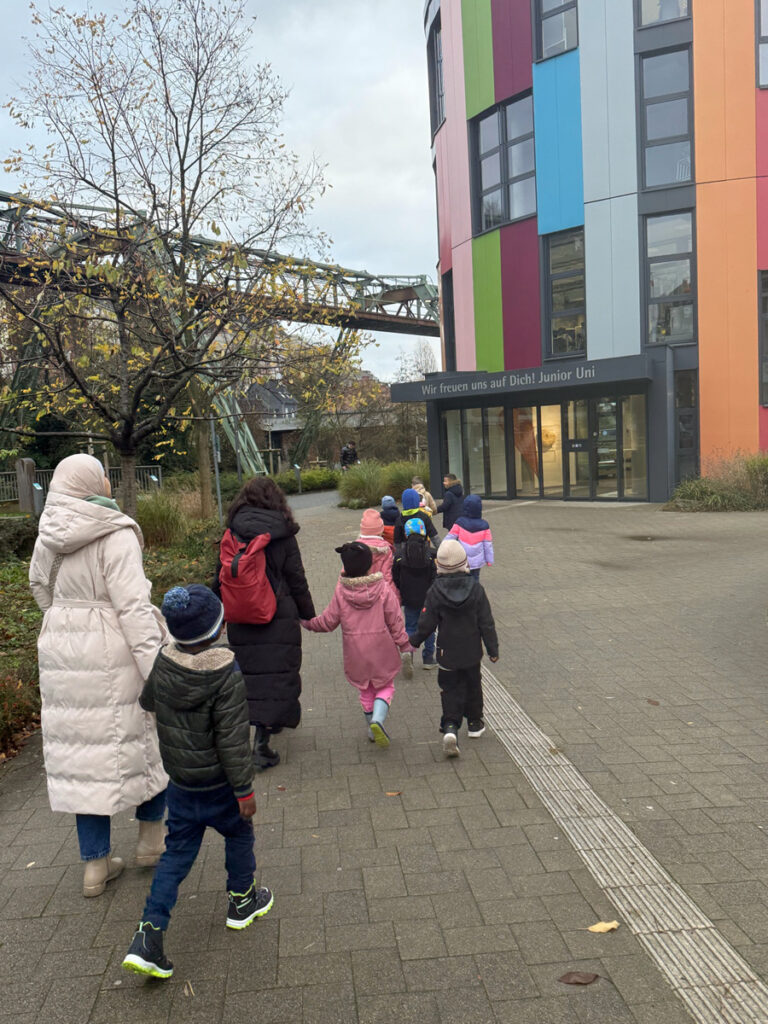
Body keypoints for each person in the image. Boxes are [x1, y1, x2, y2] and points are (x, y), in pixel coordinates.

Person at [28, 454, 168, 898]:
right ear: (91, 482)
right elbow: (134, 609)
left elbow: (38, 585)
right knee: (144, 740)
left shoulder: (49, 529)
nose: (108, 479)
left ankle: (95, 866)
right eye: (104, 473)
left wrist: (63, 620)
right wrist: (159, 675)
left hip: (62, 650)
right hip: (115, 649)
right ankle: (150, 841)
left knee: (82, 761)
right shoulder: (116, 531)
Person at [122, 584, 272, 980]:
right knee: (239, 836)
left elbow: (147, 701)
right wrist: (245, 790)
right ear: (217, 630)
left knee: (175, 855)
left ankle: (149, 935)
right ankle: (242, 900)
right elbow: (234, 737)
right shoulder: (226, 673)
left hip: (182, 785)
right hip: (221, 785)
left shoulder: (164, 661)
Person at [213, 477, 315, 772]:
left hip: (240, 614)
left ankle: (247, 738)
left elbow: (220, 572)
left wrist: (216, 612)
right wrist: (307, 614)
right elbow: (296, 576)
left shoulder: (233, 530)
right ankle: (262, 742)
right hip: (277, 613)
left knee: (249, 676)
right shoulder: (282, 532)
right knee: (275, 675)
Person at [302, 542, 412, 748]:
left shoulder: (341, 591)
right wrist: (404, 643)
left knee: (366, 690)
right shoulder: (382, 589)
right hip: (382, 648)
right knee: (386, 686)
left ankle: (371, 728)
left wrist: (307, 623)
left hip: (356, 652)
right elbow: (395, 619)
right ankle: (378, 720)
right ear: (370, 565)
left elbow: (328, 621)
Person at [408, 539, 499, 759]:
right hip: (471, 652)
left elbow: (426, 622)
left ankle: (450, 727)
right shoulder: (476, 589)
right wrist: (493, 649)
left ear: (439, 564)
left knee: (449, 689)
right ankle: (475, 723)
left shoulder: (435, 591)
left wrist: (414, 641)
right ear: (464, 562)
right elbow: (486, 622)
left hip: (446, 652)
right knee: (473, 685)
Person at [392, 518, 437, 670]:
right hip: (427, 599)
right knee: (429, 627)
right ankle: (428, 658)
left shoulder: (399, 556)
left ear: (406, 534)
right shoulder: (430, 555)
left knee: (410, 626)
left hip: (408, 597)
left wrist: (401, 590)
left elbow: (395, 577)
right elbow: (434, 577)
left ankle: (408, 653)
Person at [447, 494, 494, 578]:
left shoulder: (459, 522)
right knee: (475, 578)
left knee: (463, 578)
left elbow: (450, 538)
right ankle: (475, 590)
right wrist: (489, 560)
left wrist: (443, 552)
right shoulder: (485, 525)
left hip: (462, 559)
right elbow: (488, 545)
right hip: (477, 561)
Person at [356, 508, 394, 590]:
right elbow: (387, 576)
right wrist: (395, 597)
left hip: (357, 593)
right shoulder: (386, 550)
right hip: (380, 594)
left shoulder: (353, 549)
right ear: (380, 530)